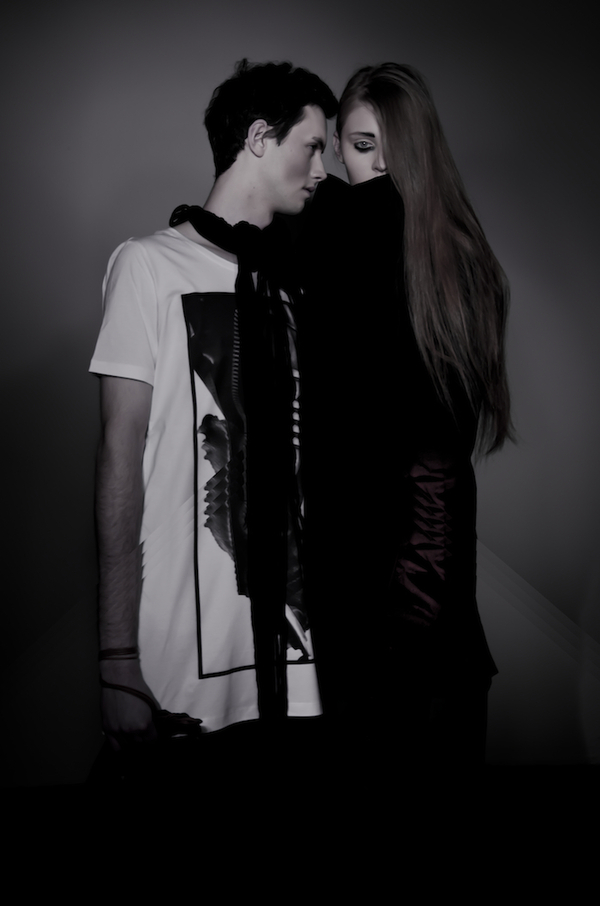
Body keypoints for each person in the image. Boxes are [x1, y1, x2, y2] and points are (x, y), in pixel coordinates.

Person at [89, 59, 337, 775]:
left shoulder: (302, 286)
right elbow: (119, 460)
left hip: (304, 665)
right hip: (185, 667)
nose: (322, 170)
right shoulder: (148, 266)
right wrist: (116, 658)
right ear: (259, 138)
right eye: (311, 147)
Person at [299, 63, 512, 765]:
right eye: (361, 146)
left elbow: (434, 466)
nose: (380, 168)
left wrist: (409, 632)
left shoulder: (363, 230)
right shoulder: (454, 253)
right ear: (336, 144)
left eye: (392, 149)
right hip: (410, 619)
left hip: (405, 629)